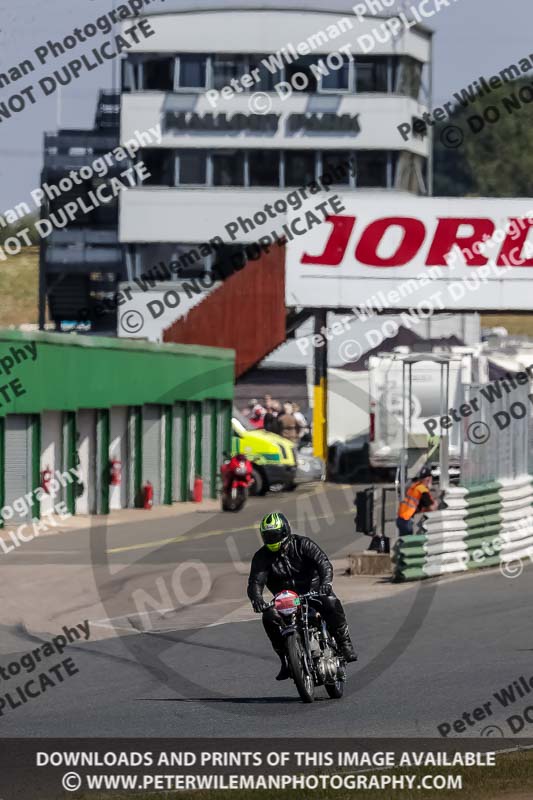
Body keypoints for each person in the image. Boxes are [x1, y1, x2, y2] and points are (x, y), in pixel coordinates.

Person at [247, 511, 357, 680]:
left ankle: (345, 643)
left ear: (284, 532)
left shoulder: (303, 544)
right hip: (286, 600)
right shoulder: (261, 557)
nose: (271, 539)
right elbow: (255, 582)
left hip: (313, 591)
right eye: (268, 536)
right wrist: (257, 600)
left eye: (274, 535)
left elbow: (323, 563)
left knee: (331, 602)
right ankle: (285, 659)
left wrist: (326, 583)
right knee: (268, 617)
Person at [396, 465, 438, 537]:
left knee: (403, 544)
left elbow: (420, 505)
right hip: (407, 520)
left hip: (401, 519)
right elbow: (432, 508)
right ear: (429, 479)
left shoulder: (415, 486)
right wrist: (436, 502)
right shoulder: (423, 491)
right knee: (408, 544)